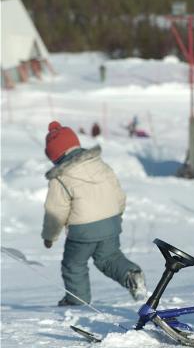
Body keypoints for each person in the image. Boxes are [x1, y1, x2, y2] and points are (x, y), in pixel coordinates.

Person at [42, 121, 147, 306]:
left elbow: (55, 210)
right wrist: (116, 216)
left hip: (83, 230)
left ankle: (78, 302)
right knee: (109, 257)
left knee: (74, 265)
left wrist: (50, 236)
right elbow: (118, 193)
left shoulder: (61, 176)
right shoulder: (100, 165)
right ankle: (132, 276)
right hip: (111, 222)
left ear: (55, 155)